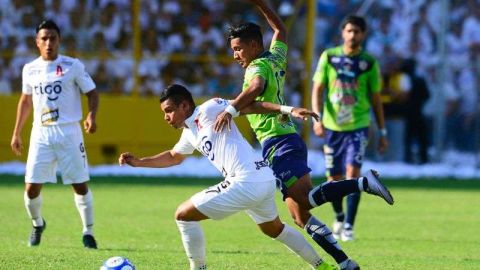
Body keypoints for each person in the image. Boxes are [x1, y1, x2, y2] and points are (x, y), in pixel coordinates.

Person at [214, 1, 393, 269]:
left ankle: (362, 183)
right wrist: (261, 4)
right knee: (300, 215)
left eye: (238, 49)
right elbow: (280, 29)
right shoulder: (275, 57)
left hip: (278, 141)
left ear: (253, 46)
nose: (235, 55)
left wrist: (230, 108)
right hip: (284, 139)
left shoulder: (256, 68)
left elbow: (256, 88)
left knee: (304, 199)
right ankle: (346, 263)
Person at [118, 84, 334, 270]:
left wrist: (288, 109)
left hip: (246, 180)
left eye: (169, 111)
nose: (166, 117)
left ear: (184, 105)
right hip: (263, 179)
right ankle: (321, 266)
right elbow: (174, 157)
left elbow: (250, 105)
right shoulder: (189, 132)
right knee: (275, 229)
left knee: (182, 215)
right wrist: (139, 162)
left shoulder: (210, 108)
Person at [10, 20, 99, 249]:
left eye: (53, 38)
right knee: (31, 189)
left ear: (59, 41)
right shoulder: (29, 68)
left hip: (69, 131)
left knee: (79, 185)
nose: (49, 42)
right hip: (41, 133)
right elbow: (26, 100)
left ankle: (88, 232)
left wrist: (91, 116)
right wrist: (16, 132)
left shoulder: (73, 65)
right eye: (44, 38)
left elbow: (92, 92)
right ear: (37, 42)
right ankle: (37, 223)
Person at [311, 15, 388, 242]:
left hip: (358, 126)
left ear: (363, 34)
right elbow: (317, 89)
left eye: (357, 31)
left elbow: (376, 99)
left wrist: (382, 132)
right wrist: (318, 118)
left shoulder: (369, 63)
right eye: (349, 31)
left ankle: (349, 226)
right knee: (333, 178)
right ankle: (339, 215)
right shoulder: (330, 57)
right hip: (333, 127)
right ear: (343, 33)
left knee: (353, 174)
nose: (352, 35)